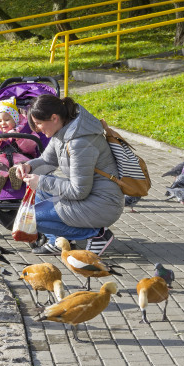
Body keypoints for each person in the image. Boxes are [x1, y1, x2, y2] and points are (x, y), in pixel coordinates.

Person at [16, 95, 123, 255]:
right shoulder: (62, 132)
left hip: (103, 204)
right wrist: (28, 166)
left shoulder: (79, 143)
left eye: (38, 123)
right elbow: (47, 160)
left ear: (54, 118)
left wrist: (41, 181)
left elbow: (78, 191)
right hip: (91, 196)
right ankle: (56, 241)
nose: (37, 129)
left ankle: (97, 235)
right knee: (39, 189)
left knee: (30, 219)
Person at [0, 98, 40, 196]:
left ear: (15, 119)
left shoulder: (25, 130)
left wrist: (19, 138)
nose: (3, 123)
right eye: (0, 121)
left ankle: (16, 177)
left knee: (22, 166)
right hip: (1, 158)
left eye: (7, 120)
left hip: (21, 157)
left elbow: (31, 147)